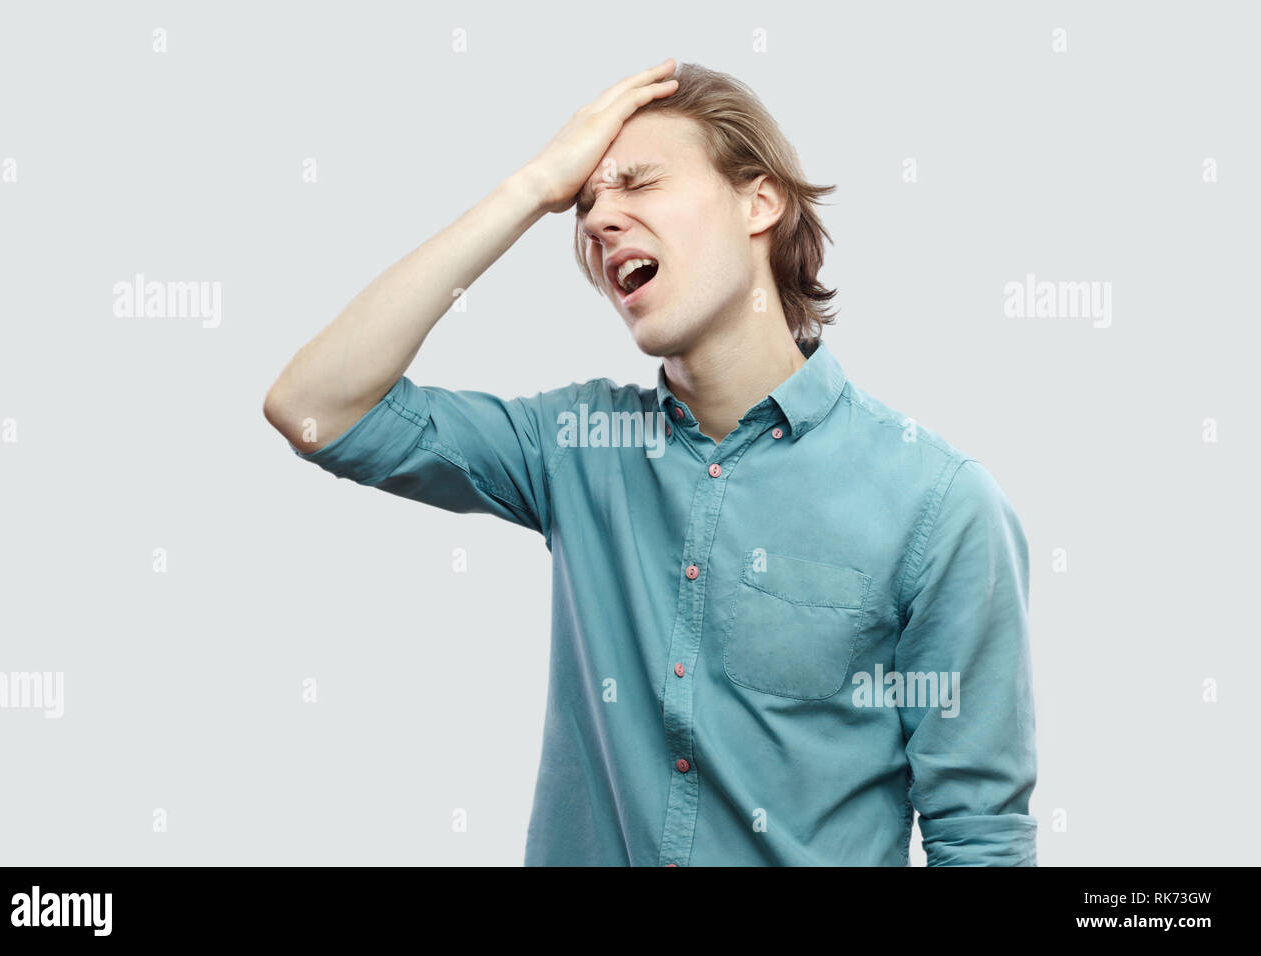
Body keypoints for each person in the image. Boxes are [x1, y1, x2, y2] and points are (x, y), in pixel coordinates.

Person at [263, 58, 1039, 866]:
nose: (600, 221)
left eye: (640, 183)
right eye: (587, 203)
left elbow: (979, 836)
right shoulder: (572, 448)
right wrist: (531, 187)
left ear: (759, 200)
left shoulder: (939, 505)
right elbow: (316, 407)